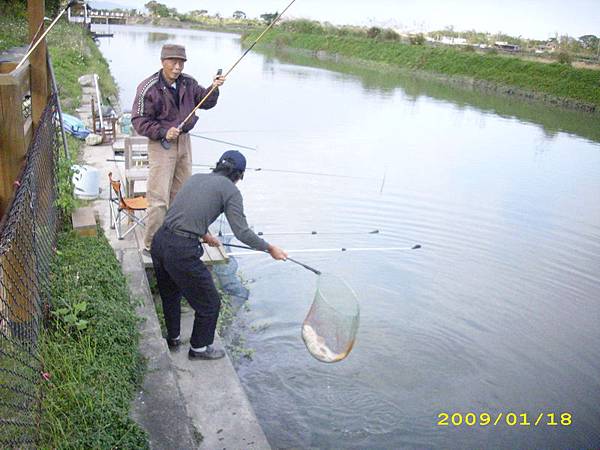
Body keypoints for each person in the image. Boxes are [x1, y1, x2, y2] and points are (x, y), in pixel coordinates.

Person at [150, 150, 288, 360]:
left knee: (170, 294)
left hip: (160, 241)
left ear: (218, 165)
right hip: (181, 250)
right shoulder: (231, 191)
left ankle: (174, 338)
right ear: (239, 175)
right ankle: (199, 349)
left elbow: (181, 212)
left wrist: (204, 234)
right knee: (210, 303)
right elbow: (242, 232)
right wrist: (270, 248)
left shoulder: (196, 178)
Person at [131, 43, 225, 253]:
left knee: (182, 194)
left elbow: (205, 102)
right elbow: (138, 121)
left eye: (181, 62)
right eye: (173, 61)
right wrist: (164, 132)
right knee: (158, 199)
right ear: (163, 61)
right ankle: (151, 245)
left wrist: (214, 88)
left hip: (184, 142)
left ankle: (176, 237)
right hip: (161, 145)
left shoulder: (188, 83)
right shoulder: (148, 87)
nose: (177, 67)